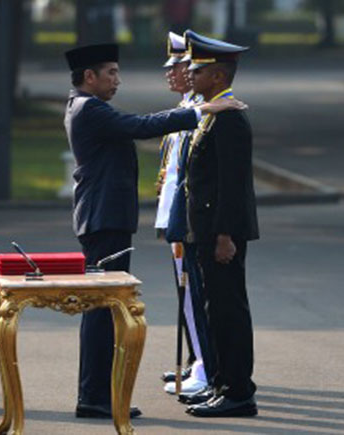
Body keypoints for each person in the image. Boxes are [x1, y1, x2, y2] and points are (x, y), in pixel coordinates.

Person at [63, 42, 245, 419]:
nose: (117, 79)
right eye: (110, 72)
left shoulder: (88, 106)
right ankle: (94, 396)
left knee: (108, 307)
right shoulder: (88, 108)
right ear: (89, 77)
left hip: (105, 218)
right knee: (102, 308)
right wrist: (203, 109)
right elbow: (141, 126)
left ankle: (98, 393)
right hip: (103, 219)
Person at [182, 30, 259, 418]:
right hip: (209, 229)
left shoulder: (228, 118)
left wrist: (226, 234)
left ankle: (239, 392)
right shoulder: (213, 113)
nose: (190, 75)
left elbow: (232, 185)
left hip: (220, 232)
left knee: (229, 310)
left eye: (198, 70)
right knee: (215, 309)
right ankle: (222, 384)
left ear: (217, 75)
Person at [155, 31, 213, 396]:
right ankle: (198, 359)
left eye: (177, 66)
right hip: (174, 216)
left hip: (187, 218)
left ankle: (205, 365)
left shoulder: (196, 111)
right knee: (186, 295)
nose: (172, 73)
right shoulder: (184, 109)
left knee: (195, 294)